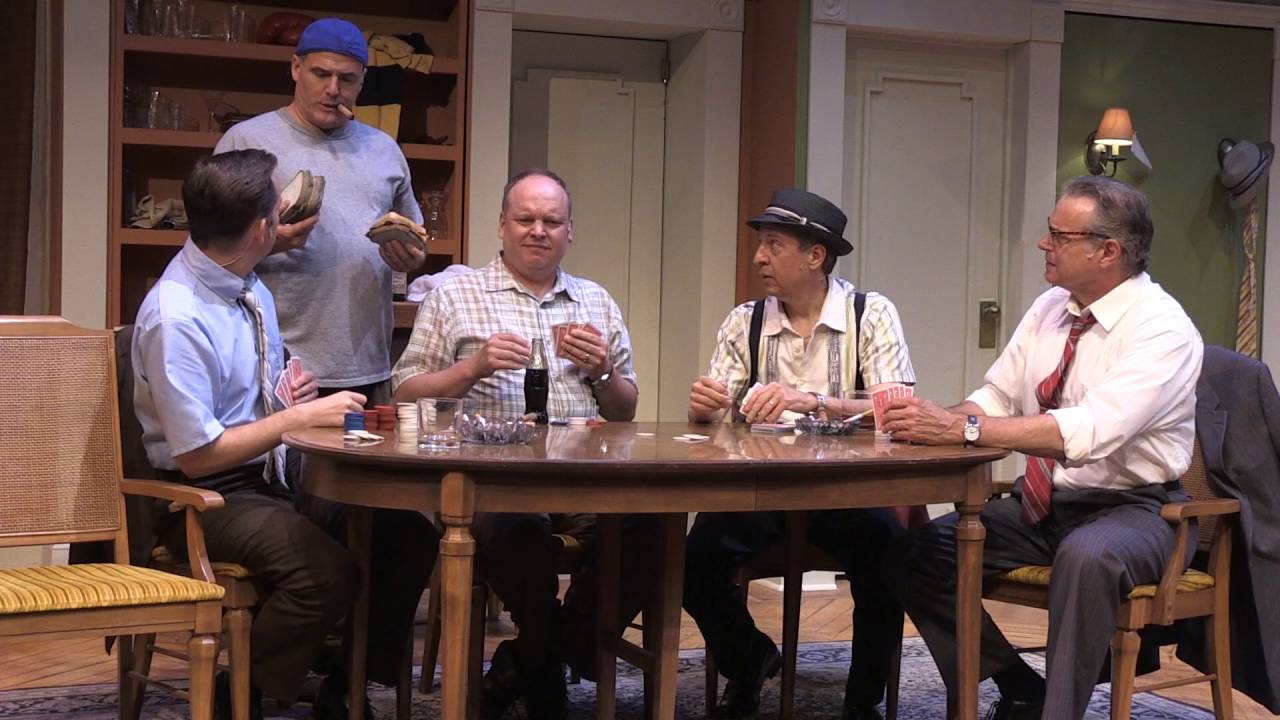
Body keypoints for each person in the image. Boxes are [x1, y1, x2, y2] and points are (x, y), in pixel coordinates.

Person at [881, 175, 1203, 720]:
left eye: (1059, 235)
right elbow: (996, 397)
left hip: (1139, 509)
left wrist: (963, 430)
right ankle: (1019, 686)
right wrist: (931, 420)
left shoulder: (1163, 329)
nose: (1043, 243)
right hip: (1046, 506)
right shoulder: (1052, 307)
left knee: (1088, 557)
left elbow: (1088, 432)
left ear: (1108, 251)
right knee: (916, 555)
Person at [132, 150, 436, 720]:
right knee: (325, 573)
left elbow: (249, 399)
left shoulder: (246, 284)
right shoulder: (177, 317)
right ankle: (239, 691)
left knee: (406, 536)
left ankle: (345, 683)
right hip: (205, 496)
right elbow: (197, 455)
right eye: (279, 206)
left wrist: (288, 392)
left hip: (272, 476)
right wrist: (295, 421)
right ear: (262, 228)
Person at [392, 168, 648, 719]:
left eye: (551, 221)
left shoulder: (595, 301)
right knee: (517, 531)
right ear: (502, 226)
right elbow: (406, 394)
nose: (538, 230)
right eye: (525, 219)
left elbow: (625, 410)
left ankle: (535, 655)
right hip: (493, 480)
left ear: (569, 231)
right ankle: (547, 658)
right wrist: (472, 368)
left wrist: (603, 372)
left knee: (650, 527)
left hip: (585, 476)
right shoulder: (455, 297)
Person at [684, 188, 916, 720]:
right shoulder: (744, 321)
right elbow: (714, 417)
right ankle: (749, 661)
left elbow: (896, 409)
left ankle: (863, 701)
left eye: (773, 244)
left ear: (815, 256)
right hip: (760, 490)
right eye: (760, 245)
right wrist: (703, 409)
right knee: (692, 563)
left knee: (890, 555)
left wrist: (815, 402)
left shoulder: (870, 314)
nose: (758, 257)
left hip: (846, 492)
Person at [215, 17, 425, 403]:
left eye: (347, 79)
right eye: (321, 74)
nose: (333, 89)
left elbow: (415, 239)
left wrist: (409, 256)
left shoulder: (384, 150)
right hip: (273, 367)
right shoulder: (245, 141)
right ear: (296, 68)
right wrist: (271, 243)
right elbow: (210, 254)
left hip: (366, 365)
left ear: (362, 81)